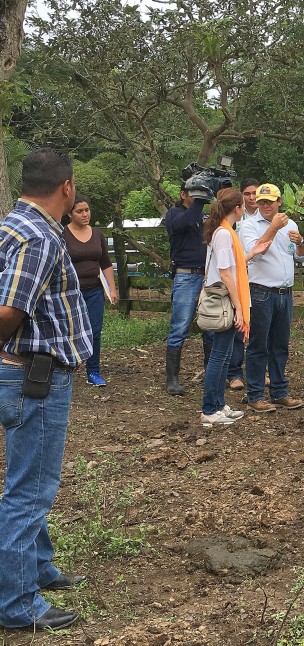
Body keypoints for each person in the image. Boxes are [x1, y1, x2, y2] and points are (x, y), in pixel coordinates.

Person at [0, 148, 93, 631]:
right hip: (35, 377)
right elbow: (10, 311)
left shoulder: (12, 225)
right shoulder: (39, 236)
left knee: (30, 480)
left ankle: (38, 566)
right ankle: (16, 605)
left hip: (25, 371)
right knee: (30, 490)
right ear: (66, 187)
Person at [200, 188, 270, 426]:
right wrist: (239, 308)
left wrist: (250, 254)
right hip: (224, 300)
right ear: (237, 208)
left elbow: (231, 264)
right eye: (243, 204)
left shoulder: (224, 231)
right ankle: (209, 408)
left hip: (226, 299)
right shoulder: (224, 234)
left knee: (224, 354)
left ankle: (219, 404)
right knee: (219, 357)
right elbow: (226, 274)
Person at [238, 183, 304, 413]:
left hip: (285, 293)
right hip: (261, 291)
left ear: (279, 202)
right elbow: (254, 253)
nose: (265, 206)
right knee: (259, 345)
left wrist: (300, 243)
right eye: (261, 202)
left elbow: (300, 257)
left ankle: (279, 392)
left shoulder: (291, 224)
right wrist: (273, 229)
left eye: (270, 201)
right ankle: (256, 394)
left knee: (280, 345)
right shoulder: (248, 226)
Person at [63, 194, 118, 386]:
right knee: (70, 331)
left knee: (95, 331)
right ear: (70, 213)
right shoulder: (63, 235)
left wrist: (112, 288)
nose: (85, 214)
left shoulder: (97, 235)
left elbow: (105, 263)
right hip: (70, 292)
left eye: (87, 210)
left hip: (95, 291)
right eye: (80, 211)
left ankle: (93, 372)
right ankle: (66, 368)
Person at [164, 184, 211, 395]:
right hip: (185, 275)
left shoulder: (203, 216)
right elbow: (185, 222)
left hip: (207, 276)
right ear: (183, 195)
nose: (198, 196)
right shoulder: (175, 214)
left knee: (211, 325)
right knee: (180, 327)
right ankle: (172, 379)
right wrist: (200, 201)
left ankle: (211, 372)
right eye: (193, 193)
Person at [227, 177, 261, 392]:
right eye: (247, 194)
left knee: (259, 327)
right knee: (238, 325)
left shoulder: (267, 216)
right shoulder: (235, 218)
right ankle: (234, 373)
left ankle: (258, 371)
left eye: (254, 193)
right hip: (238, 275)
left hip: (259, 277)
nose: (251, 198)